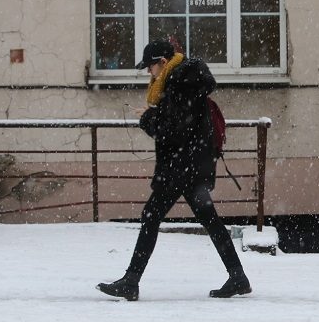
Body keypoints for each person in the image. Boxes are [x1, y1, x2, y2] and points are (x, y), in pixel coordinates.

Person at [97, 39, 251, 301]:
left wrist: (147, 118)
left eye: (150, 67)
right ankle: (238, 276)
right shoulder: (183, 82)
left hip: (181, 167)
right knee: (208, 219)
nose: (149, 72)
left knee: (151, 215)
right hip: (190, 165)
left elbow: (172, 129)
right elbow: (177, 120)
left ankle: (131, 282)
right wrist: (155, 113)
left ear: (163, 63)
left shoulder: (181, 84)